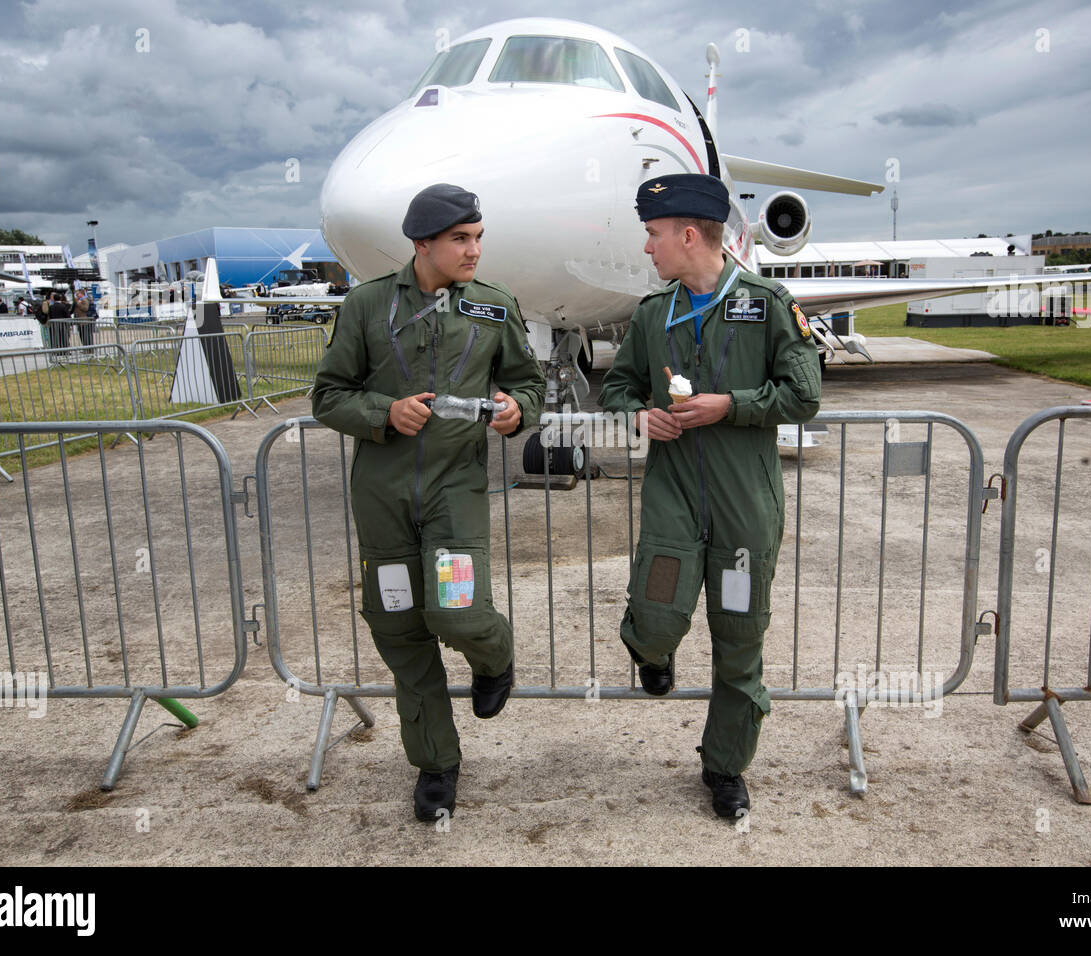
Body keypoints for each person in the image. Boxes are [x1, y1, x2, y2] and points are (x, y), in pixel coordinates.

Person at [312, 183, 544, 822]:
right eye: (460, 240)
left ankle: (495, 658)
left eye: (477, 238)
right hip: (382, 497)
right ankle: (436, 763)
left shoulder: (495, 309)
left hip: (454, 493)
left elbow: (529, 381)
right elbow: (328, 396)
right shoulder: (365, 306)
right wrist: (383, 412)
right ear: (422, 245)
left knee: (458, 610)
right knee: (399, 628)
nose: (474, 251)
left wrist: (519, 409)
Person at [599, 173, 821, 819]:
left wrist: (732, 406)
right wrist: (641, 415)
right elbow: (616, 391)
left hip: (744, 508)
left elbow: (804, 395)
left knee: (739, 636)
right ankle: (650, 651)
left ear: (689, 235)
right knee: (657, 611)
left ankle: (724, 768)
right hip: (673, 496)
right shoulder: (651, 315)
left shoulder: (768, 303)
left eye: (653, 235)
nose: (648, 249)